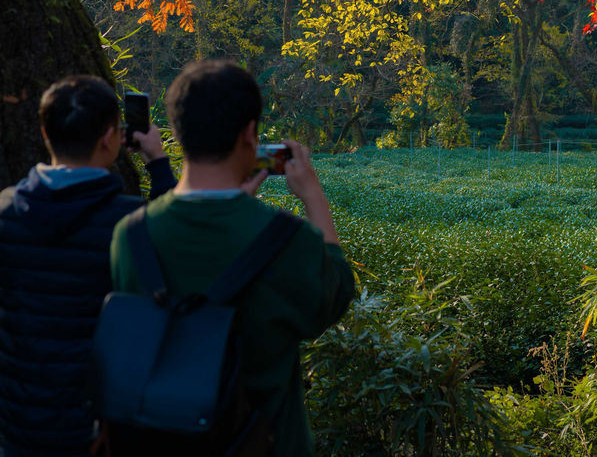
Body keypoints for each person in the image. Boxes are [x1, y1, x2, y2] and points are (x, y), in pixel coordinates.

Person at [110, 59, 355, 457]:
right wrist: (313, 195)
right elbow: (336, 292)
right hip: (267, 443)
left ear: (176, 132)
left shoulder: (131, 234)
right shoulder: (287, 239)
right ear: (249, 134)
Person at [0, 74, 176, 457]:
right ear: (109, 138)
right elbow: (176, 246)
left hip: (18, 421)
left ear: (45, 132)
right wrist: (158, 163)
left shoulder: (5, 212)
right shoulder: (132, 221)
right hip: (100, 427)